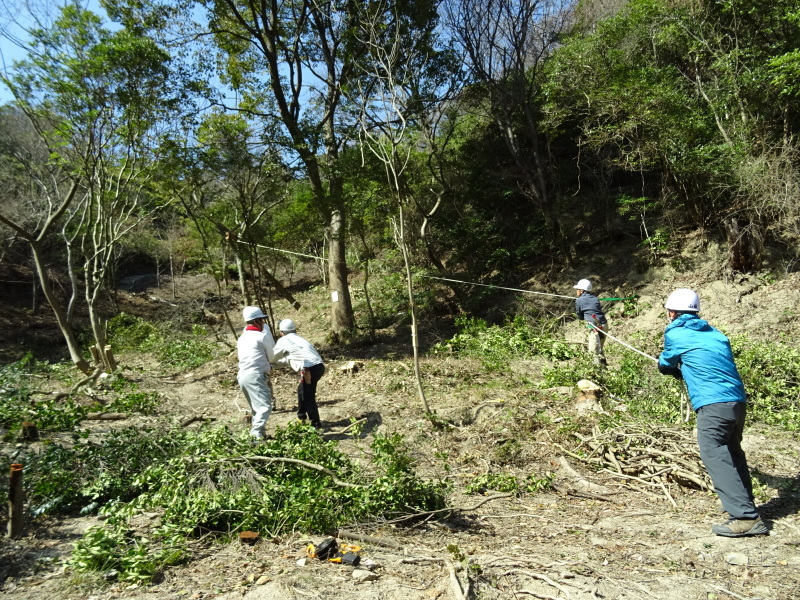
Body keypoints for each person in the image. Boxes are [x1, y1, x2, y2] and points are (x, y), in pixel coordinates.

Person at [657, 288, 766, 537]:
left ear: (672, 312)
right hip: (737, 402)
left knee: (714, 454)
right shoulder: (717, 334)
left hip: (713, 404)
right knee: (732, 453)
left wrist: (670, 367)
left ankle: (746, 518)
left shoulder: (676, 332)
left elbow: (666, 363)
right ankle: (745, 507)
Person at [272, 319, 325, 430]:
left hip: (309, 369)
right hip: (319, 366)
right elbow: (289, 360)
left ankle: (316, 425)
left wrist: (265, 363)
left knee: (308, 398)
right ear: (294, 330)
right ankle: (301, 417)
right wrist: (273, 366)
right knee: (302, 390)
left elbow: (272, 357)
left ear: (281, 332)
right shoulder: (300, 339)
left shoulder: (283, 340)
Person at [237, 306, 276, 441]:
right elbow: (272, 357)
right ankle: (256, 436)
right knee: (265, 407)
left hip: (243, 376)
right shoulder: (261, 336)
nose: (264, 323)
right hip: (256, 375)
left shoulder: (242, 338)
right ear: (256, 321)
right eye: (262, 320)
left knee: (256, 408)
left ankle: (261, 435)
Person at [573, 278, 608, 366]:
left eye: (577, 289)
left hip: (595, 328)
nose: (576, 291)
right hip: (604, 325)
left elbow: (580, 316)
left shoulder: (579, 300)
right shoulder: (595, 298)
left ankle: (597, 373)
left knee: (593, 353)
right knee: (599, 349)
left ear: (581, 291)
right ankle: (604, 367)